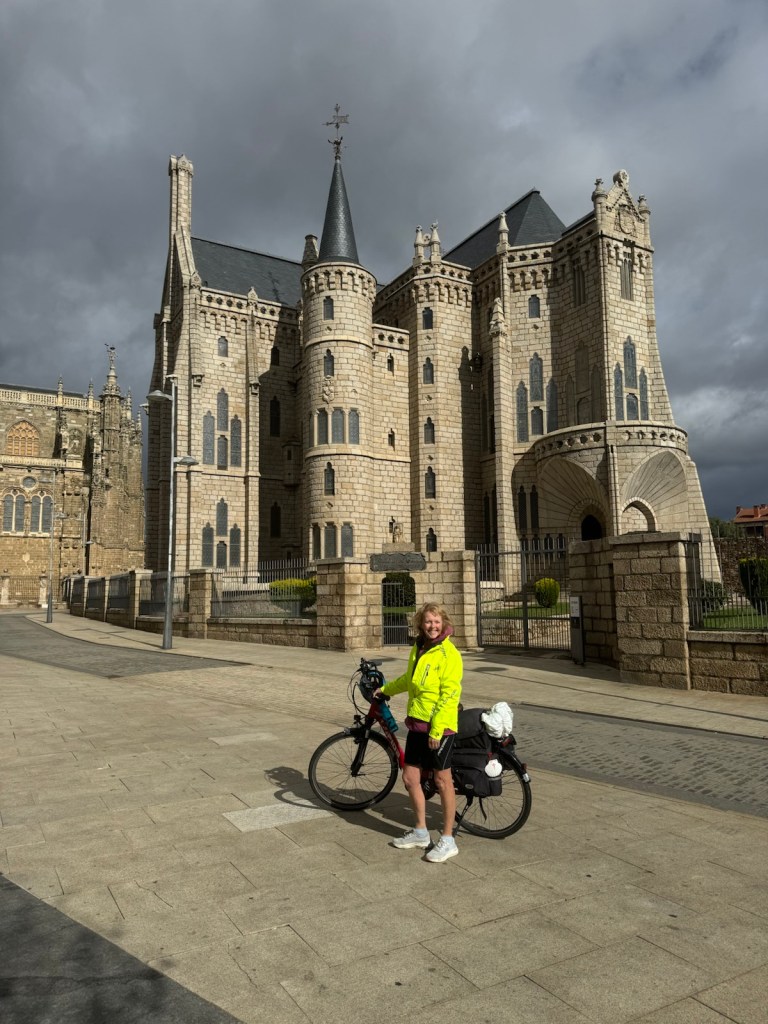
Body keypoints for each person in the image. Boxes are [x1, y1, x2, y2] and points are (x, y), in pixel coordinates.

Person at [374, 602, 463, 862]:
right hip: (417, 723)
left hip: (440, 727)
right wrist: (386, 690)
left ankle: (448, 839)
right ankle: (421, 832)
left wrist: (437, 731)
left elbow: (449, 695)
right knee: (410, 778)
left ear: (443, 623)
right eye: (428, 621)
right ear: (420, 624)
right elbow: (410, 680)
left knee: (442, 781)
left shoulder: (448, 654)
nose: (432, 626)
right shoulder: (420, 647)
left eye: (436, 621)